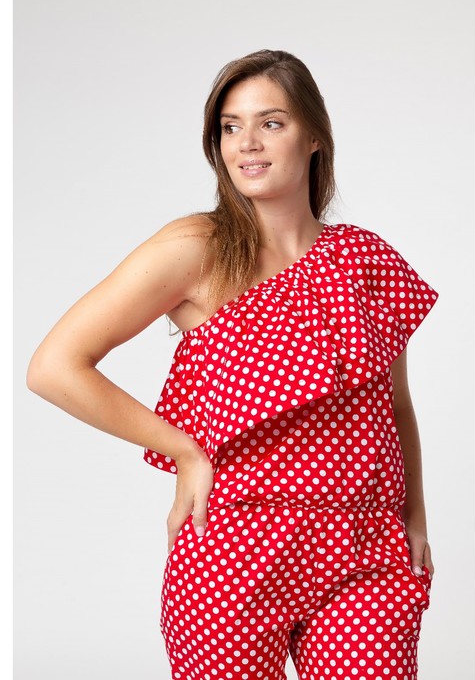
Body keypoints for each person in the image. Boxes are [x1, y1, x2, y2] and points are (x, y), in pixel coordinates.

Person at [27, 48, 440, 680]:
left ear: (314, 137)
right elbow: (55, 367)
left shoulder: (365, 259)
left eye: (271, 122)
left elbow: (396, 405)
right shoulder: (198, 247)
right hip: (234, 551)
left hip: (366, 552)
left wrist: (414, 517)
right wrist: (184, 451)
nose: (247, 143)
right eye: (230, 126)